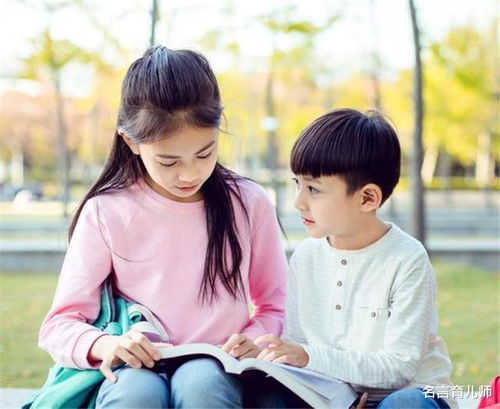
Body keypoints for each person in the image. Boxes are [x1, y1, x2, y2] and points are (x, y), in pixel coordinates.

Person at [38, 46, 287, 409]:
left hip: (219, 368)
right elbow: (60, 324)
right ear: (131, 142)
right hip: (133, 366)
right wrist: (108, 345)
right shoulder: (107, 210)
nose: (189, 174)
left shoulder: (248, 203)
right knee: (136, 393)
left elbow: (274, 307)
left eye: (205, 152)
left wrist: (255, 338)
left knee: (200, 381)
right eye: (168, 160)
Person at [253, 108, 456, 409]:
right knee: (266, 395)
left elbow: (400, 367)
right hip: (336, 396)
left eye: (314, 189)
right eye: (297, 184)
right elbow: (298, 345)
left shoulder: (406, 259)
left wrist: (309, 357)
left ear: (367, 198)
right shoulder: (306, 257)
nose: (299, 201)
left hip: (408, 393)